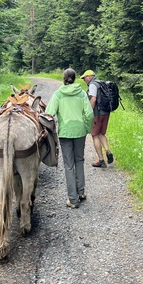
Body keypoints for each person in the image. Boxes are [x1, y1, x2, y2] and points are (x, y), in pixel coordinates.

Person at [46, 68, 94, 208]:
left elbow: (49, 114)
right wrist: (88, 128)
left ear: (64, 78)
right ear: (75, 78)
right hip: (80, 132)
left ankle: (73, 199)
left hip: (65, 132)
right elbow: (89, 114)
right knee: (79, 160)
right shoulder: (81, 94)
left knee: (68, 165)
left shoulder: (58, 94)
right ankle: (81, 192)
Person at [80, 69, 114, 168]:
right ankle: (108, 151)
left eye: (84, 78)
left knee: (95, 135)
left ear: (89, 77)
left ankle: (101, 160)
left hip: (97, 114)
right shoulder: (101, 82)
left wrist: (89, 112)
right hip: (106, 113)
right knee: (101, 134)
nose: (84, 80)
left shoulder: (93, 85)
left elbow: (93, 99)